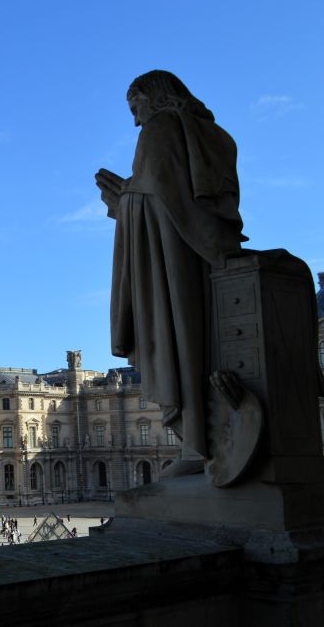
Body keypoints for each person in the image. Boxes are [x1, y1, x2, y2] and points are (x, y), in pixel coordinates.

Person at [96, 70, 246, 477]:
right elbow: (192, 199)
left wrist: (121, 198)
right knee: (198, 341)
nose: (135, 120)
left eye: (136, 107)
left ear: (154, 98)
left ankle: (197, 445)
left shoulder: (160, 129)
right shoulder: (211, 134)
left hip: (171, 257)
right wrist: (130, 193)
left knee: (176, 340)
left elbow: (162, 199)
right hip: (204, 250)